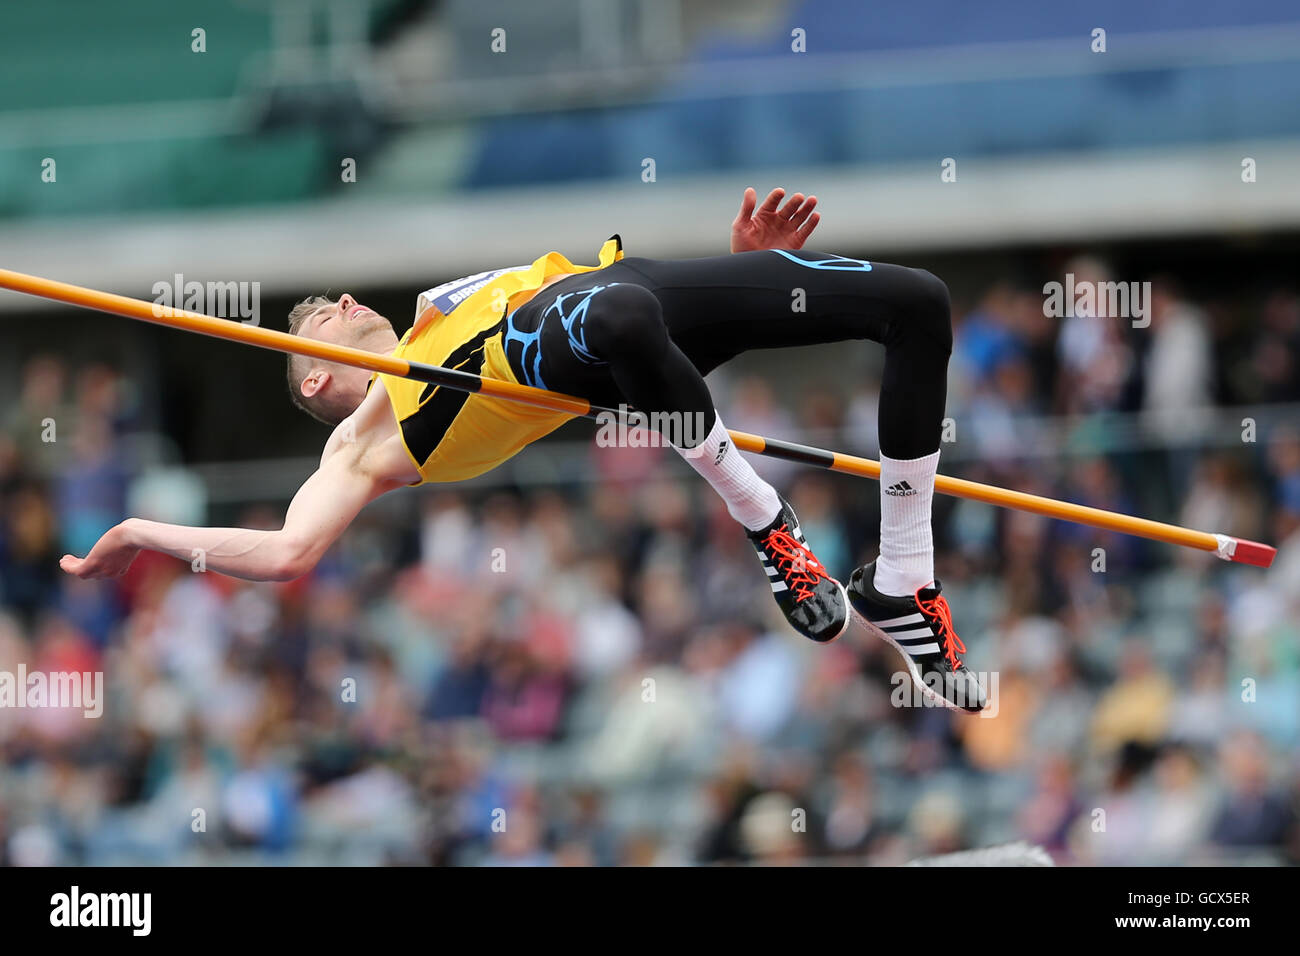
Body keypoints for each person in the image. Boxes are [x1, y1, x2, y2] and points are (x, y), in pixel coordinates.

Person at [61, 188, 985, 712]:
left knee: (919, 303)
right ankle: (767, 525)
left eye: (338, 302)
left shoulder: (435, 305)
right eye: (321, 323)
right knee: (616, 317)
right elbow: (286, 553)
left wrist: (738, 269)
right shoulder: (356, 443)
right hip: (561, 341)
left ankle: (904, 573)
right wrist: (141, 530)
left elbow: (634, 338)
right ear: (314, 380)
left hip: (627, 300)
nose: (342, 306)